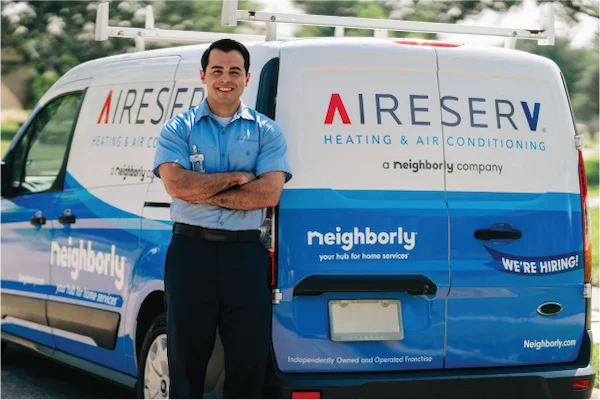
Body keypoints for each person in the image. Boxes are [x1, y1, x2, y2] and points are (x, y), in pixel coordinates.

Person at [152, 38, 292, 400]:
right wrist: (236, 177)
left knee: (248, 364)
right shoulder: (178, 128)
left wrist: (204, 189)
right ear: (203, 75)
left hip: (244, 257)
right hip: (190, 253)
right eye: (217, 71)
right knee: (186, 362)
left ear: (247, 77)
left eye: (234, 71)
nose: (225, 79)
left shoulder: (267, 131)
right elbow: (178, 185)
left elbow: (268, 194)